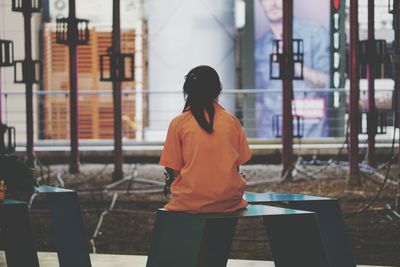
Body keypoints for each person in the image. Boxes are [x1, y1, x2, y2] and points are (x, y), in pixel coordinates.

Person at [159, 65, 251, 213]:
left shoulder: (178, 123)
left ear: (187, 91)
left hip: (190, 201)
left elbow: (174, 169)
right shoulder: (231, 121)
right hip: (230, 200)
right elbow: (237, 163)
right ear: (218, 90)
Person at [255, 0, 330, 138]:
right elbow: (257, 101)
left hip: (311, 133)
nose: (274, 3)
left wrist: (295, 66)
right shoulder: (260, 47)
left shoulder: (315, 33)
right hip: (270, 135)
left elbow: (330, 83)